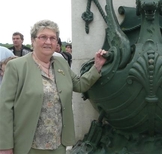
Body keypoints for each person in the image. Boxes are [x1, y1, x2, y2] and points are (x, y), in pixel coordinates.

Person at [0, 19, 107, 154]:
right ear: (33, 40)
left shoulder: (61, 63)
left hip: (58, 144)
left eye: (53, 38)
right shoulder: (16, 67)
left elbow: (79, 85)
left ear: (57, 42)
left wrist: (97, 66)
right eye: (43, 37)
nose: (48, 42)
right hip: (29, 145)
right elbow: (4, 108)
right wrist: (5, 146)